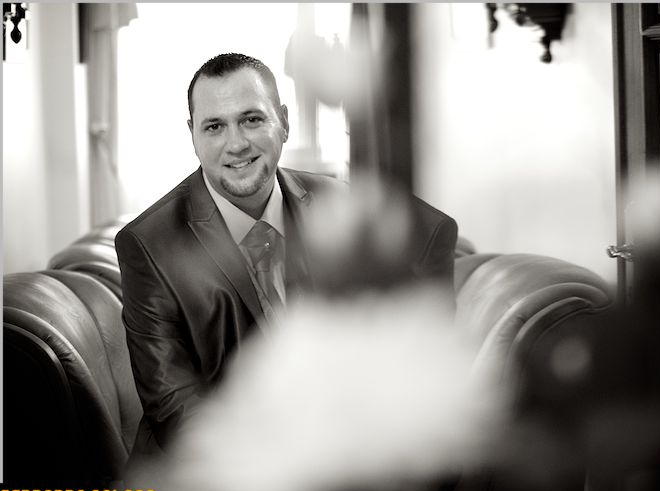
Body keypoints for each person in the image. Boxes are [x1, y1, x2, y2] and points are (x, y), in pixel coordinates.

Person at [115, 53, 458, 458]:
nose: (236, 143)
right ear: (193, 135)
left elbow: (437, 232)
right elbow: (174, 406)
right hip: (217, 476)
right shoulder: (148, 243)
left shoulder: (338, 203)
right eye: (214, 126)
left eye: (252, 119)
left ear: (284, 121)